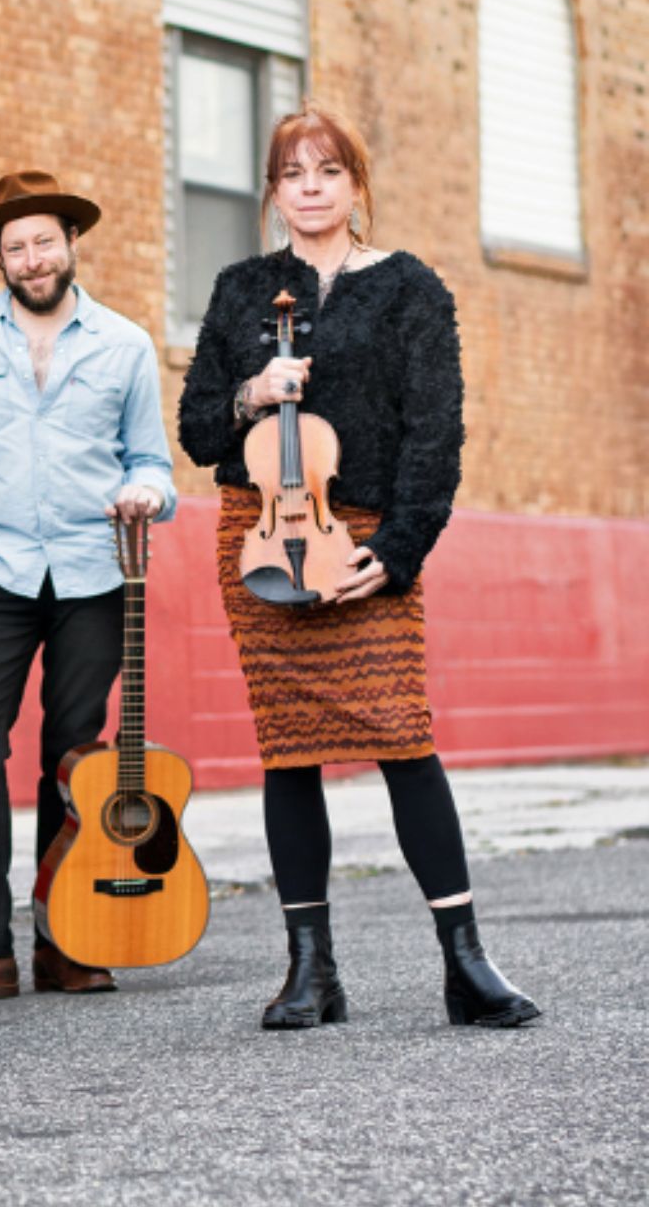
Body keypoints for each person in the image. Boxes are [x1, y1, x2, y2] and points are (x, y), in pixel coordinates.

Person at [176, 102, 539, 1030]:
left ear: (356, 184)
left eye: (327, 171)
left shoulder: (410, 288)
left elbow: (437, 431)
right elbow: (195, 430)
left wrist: (401, 550)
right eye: (292, 173)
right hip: (260, 532)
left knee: (403, 737)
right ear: (272, 191)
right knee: (287, 750)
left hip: (367, 541)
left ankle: (466, 965)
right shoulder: (241, 289)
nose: (309, 188)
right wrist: (255, 391)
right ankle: (312, 972)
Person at [0, 171, 178, 1007]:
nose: (31, 258)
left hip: (96, 573)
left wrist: (148, 495)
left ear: (70, 244)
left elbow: (152, 461)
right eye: (14, 247)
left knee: (74, 759)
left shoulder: (124, 344)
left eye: (43, 241)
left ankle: (65, 938)